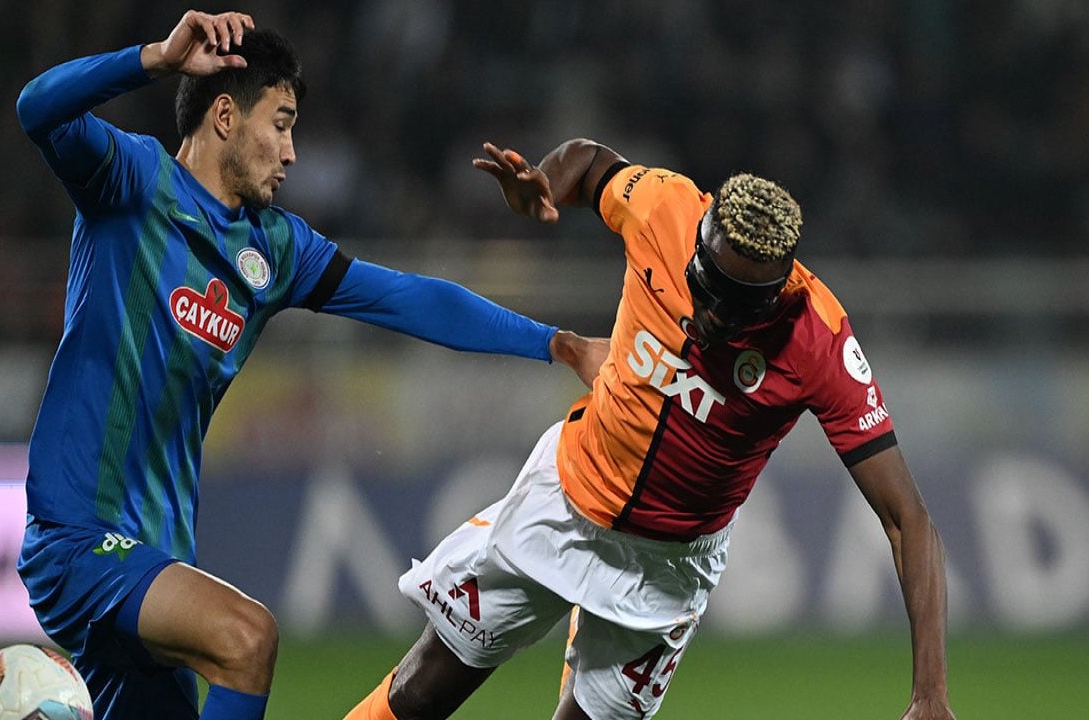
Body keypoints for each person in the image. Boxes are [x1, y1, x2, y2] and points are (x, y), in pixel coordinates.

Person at [13, 12, 602, 720]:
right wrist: (153, 59)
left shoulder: (276, 248)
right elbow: (37, 108)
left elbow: (410, 298)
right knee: (247, 637)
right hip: (79, 536)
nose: (292, 153)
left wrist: (558, 343)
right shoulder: (133, 182)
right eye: (281, 124)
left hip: (158, 558)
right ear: (225, 116)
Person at [346, 139, 955, 720]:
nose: (710, 316)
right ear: (699, 244)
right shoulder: (663, 206)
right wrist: (545, 184)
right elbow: (589, 161)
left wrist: (929, 693)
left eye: (737, 308)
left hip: (665, 569)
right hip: (563, 499)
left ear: (775, 296)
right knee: (421, 694)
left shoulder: (819, 340)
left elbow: (908, 519)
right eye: (706, 288)